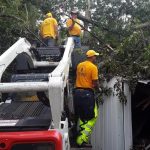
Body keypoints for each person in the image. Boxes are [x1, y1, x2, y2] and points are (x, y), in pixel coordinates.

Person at [73, 50, 100, 147]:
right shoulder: (93, 67)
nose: (95, 58)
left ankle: (79, 140)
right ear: (92, 57)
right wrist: (98, 89)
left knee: (82, 116)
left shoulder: (80, 65)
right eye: (95, 56)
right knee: (93, 116)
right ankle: (81, 140)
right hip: (87, 94)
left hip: (77, 93)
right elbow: (95, 82)